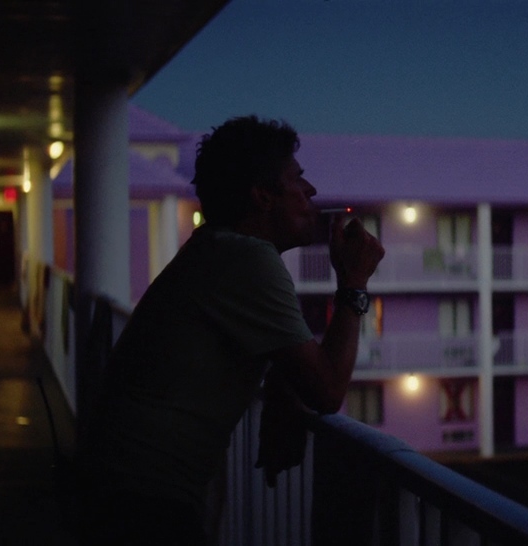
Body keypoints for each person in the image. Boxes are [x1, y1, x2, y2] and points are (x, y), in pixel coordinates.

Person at [75, 115, 384, 545]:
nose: (311, 192)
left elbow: (276, 356)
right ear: (262, 197)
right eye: (298, 179)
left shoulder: (219, 249)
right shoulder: (247, 259)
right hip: (142, 501)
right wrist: (353, 283)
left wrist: (282, 382)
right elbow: (329, 389)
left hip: (116, 484)